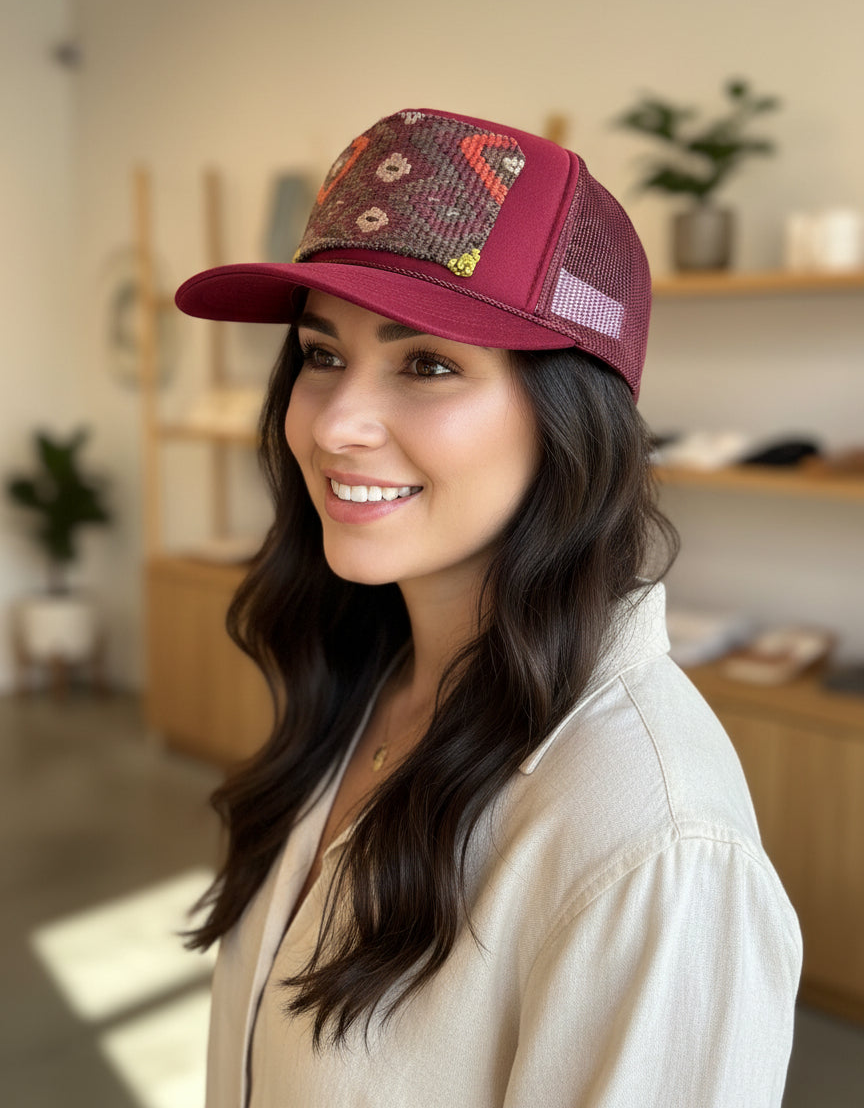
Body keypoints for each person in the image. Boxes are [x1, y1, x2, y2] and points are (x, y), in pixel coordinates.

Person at [176, 108, 802, 1108]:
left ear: (569, 417)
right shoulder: (371, 675)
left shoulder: (656, 841)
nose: (336, 421)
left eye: (426, 363)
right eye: (321, 352)